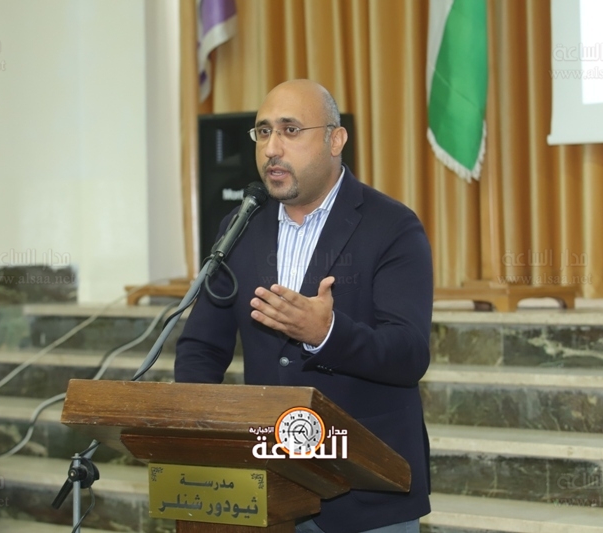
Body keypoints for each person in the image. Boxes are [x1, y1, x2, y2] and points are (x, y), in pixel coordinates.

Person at [175, 79, 433, 533]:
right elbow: (201, 347)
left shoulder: (392, 226)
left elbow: (408, 353)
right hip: (267, 486)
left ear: (335, 139)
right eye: (263, 132)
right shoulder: (240, 226)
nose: (272, 148)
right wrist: (203, 439)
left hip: (365, 488)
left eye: (290, 130)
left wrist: (326, 334)